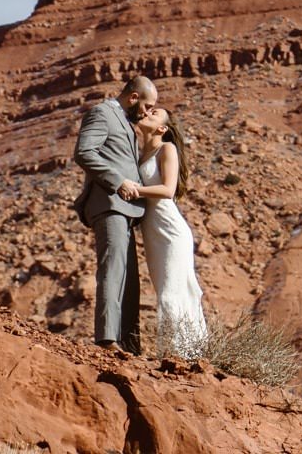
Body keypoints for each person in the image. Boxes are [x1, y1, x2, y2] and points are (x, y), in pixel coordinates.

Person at [73, 75, 156, 353]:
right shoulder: (102, 113)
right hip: (109, 202)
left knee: (129, 277)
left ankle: (131, 345)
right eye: (147, 106)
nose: (146, 112)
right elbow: (84, 152)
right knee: (112, 269)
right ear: (133, 97)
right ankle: (107, 340)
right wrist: (118, 181)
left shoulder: (126, 121)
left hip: (126, 210)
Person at [133, 106, 208, 358]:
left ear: (162, 128)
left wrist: (136, 189)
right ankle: (187, 352)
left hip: (170, 230)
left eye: (154, 114)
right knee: (169, 289)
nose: (146, 113)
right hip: (153, 232)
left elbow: (167, 189)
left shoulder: (167, 149)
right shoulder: (142, 152)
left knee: (171, 292)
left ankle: (178, 356)